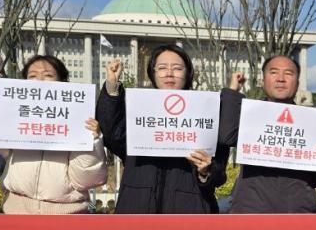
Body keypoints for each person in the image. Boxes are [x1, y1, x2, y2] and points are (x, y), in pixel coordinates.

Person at [0, 54, 108, 214]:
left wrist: (92, 141)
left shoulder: (77, 121)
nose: (39, 80)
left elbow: (87, 180)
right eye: (32, 76)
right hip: (16, 213)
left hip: (67, 216)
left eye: (48, 75)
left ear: (63, 82)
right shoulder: (13, 119)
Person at [96, 44, 229, 213]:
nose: (169, 73)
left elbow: (220, 172)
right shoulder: (139, 107)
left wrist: (206, 170)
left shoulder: (205, 110)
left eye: (177, 68)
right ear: (153, 73)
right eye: (162, 68)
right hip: (137, 208)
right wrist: (112, 86)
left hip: (190, 211)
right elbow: (112, 135)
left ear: (188, 73)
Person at [221, 54, 316, 213]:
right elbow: (227, 136)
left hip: (298, 213)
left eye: (288, 73)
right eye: (274, 72)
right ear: (262, 81)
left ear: (297, 83)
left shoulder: (311, 122)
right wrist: (232, 92)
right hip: (251, 211)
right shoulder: (251, 115)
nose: (281, 79)